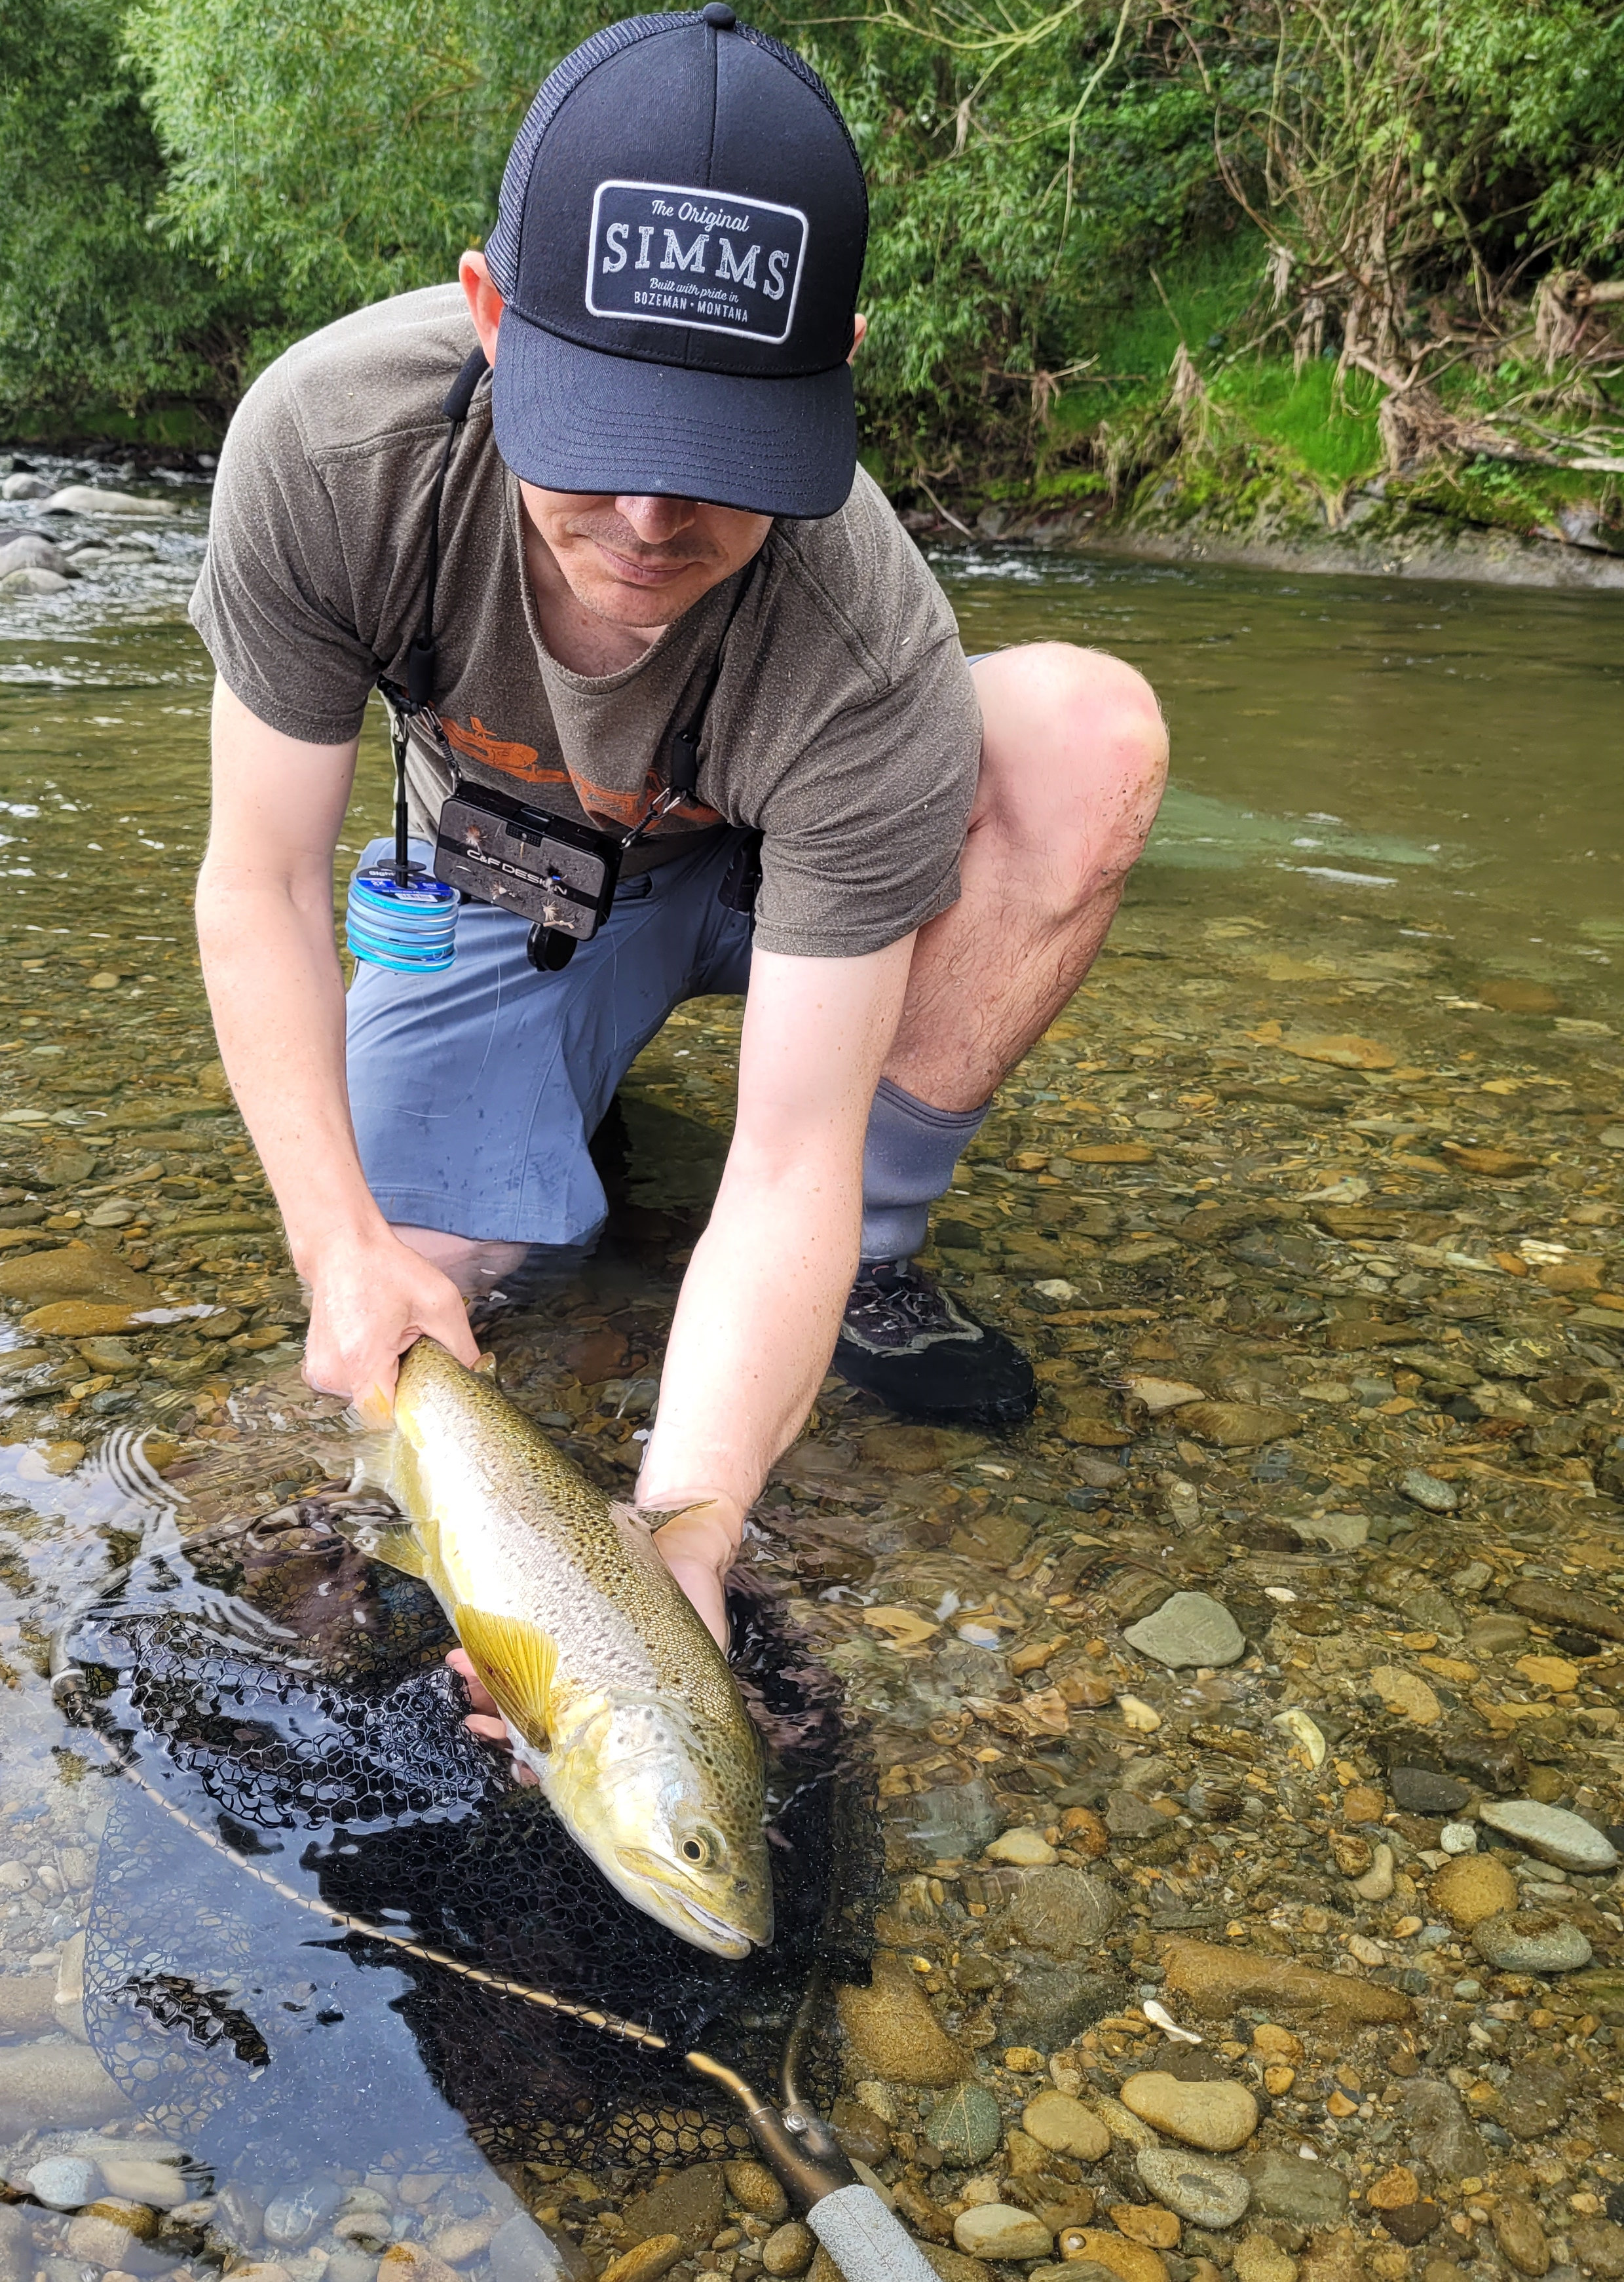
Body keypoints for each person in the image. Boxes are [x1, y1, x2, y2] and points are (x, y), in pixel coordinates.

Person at [192, 6, 1168, 1654]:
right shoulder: (331, 449)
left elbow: (787, 1149)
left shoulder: (867, 641)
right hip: (522, 883)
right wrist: (338, 1244)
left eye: (715, 452)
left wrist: (688, 1524)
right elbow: (266, 878)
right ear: (491, 316)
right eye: (606, 440)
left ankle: (871, 1263)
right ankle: (546, 1107)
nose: (651, 522)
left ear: (834, 358)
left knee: (1085, 732)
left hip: (807, 882)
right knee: (429, 1279)